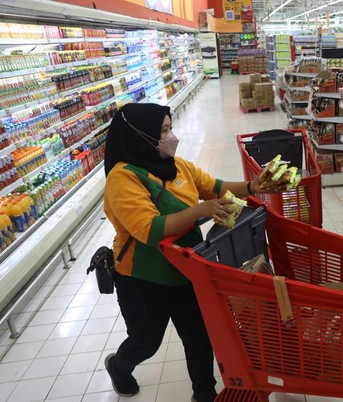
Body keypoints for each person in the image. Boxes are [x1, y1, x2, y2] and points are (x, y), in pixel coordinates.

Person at [102, 103, 287, 402]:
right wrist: (199, 210)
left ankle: (204, 394)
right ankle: (119, 365)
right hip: (143, 277)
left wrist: (253, 185)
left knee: (199, 336)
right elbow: (149, 229)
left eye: (169, 127)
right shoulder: (123, 178)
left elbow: (215, 187)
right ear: (141, 135)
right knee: (146, 341)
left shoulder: (179, 167)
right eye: (163, 131)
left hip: (187, 267)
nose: (171, 136)